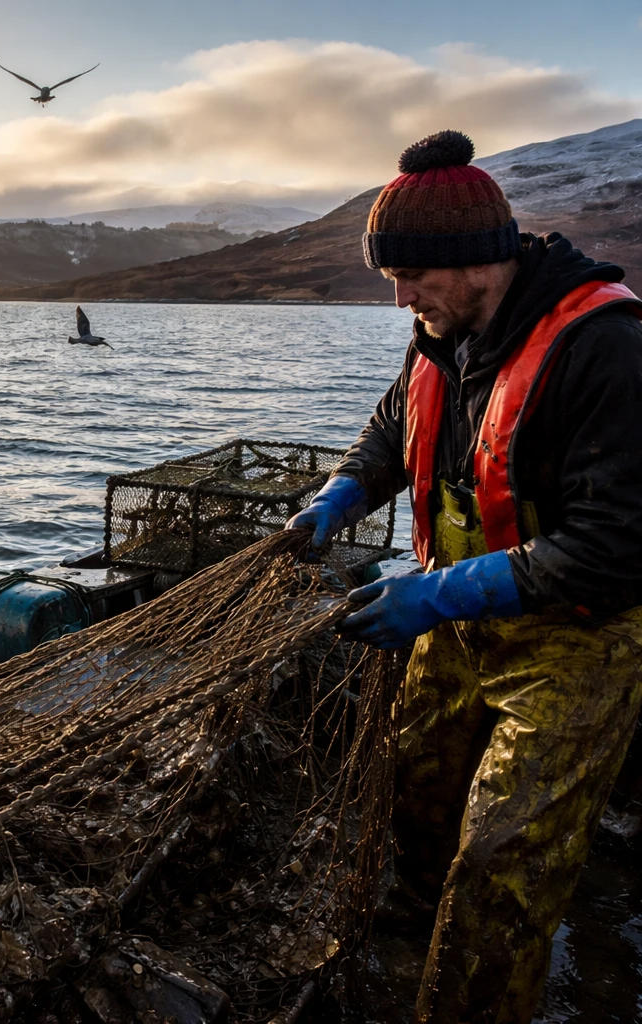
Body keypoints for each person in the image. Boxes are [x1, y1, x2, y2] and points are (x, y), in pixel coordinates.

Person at [288, 129, 642, 1024]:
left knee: (505, 860)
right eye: (392, 282)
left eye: (414, 279)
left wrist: (437, 595)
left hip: (579, 636)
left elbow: (616, 545)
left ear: (479, 258)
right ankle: (410, 935)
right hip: (455, 618)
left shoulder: (606, 348)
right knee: (417, 785)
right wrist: (338, 496)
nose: (401, 300)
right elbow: (388, 433)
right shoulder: (438, 333)